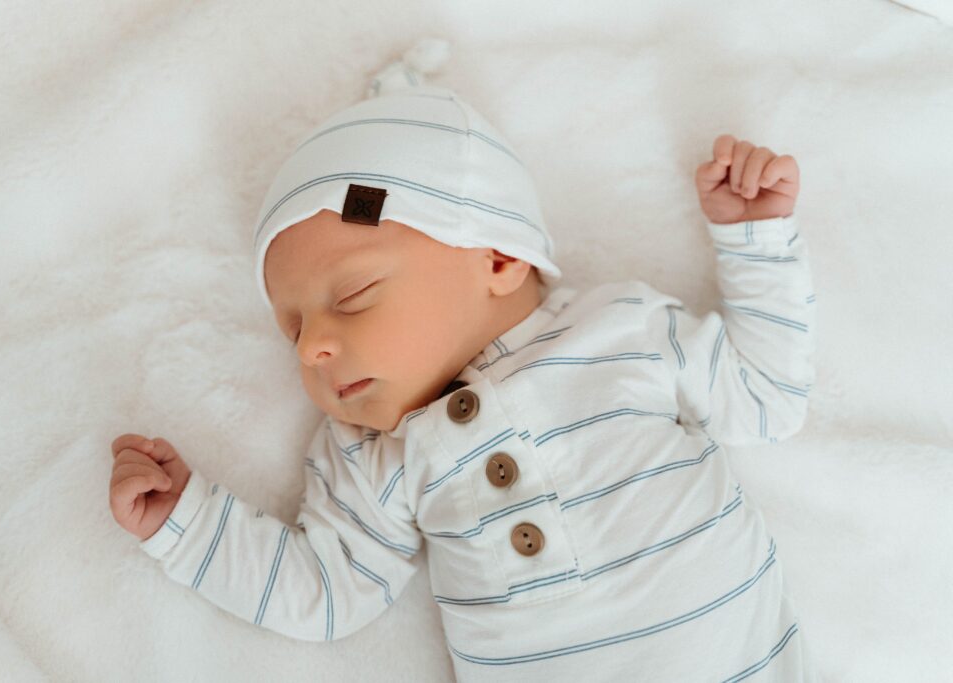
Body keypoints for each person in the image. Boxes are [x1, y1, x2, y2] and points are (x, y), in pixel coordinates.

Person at [109, 38, 817, 681]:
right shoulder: (371, 453)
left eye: (351, 294)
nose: (312, 347)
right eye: (291, 329)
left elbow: (766, 395)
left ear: (500, 256)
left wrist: (754, 239)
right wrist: (189, 524)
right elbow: (325, 590)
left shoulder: (618, 331)